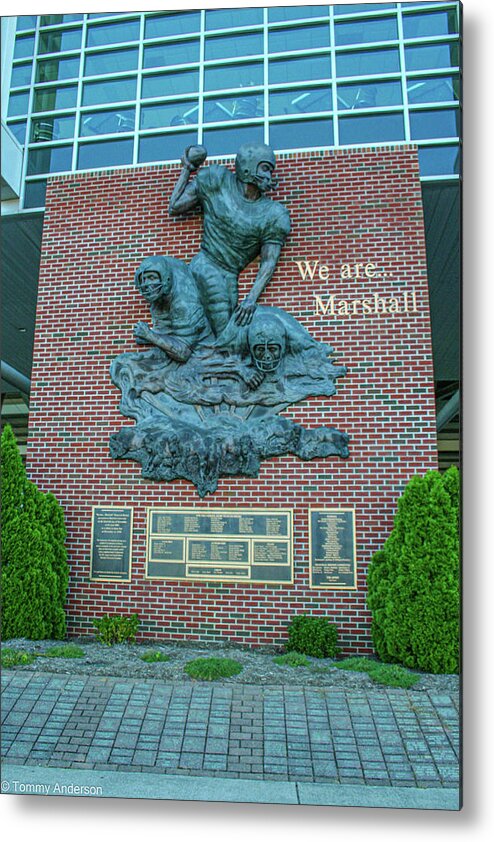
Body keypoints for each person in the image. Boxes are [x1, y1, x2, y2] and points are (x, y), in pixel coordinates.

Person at [168, 141, 291, 337]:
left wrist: (251, 299)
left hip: (231, 273)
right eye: (265, 168)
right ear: (248, 166)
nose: (269, 176)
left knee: (233, 324)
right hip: (207, 262)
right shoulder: (216, 180)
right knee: (223, 323)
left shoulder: (273, 214)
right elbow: (175, 206)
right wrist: (187, 168)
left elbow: (269, 262)